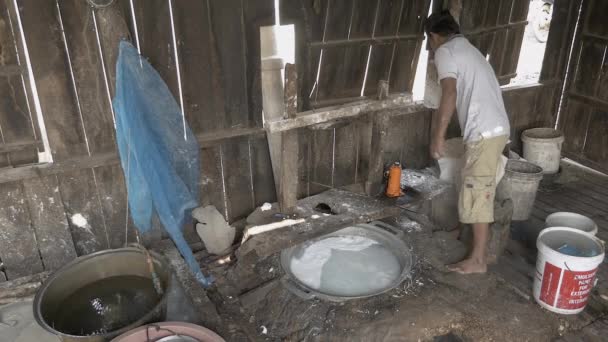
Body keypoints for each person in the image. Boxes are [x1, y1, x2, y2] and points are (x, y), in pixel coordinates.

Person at [424, 11, 510, 274]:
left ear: (434, 36)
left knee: (478, 190)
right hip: (492, 127)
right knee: (470, 180)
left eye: (429, 40)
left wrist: (437, 137)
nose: (430, 46)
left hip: (485, 131)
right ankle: (461, 230)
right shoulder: (467, 48)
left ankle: (478, 260)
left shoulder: (445, 51)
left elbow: (450, 92)